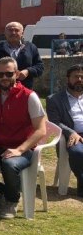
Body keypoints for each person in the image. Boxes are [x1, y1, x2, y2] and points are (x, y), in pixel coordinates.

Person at [0, 57, 46, 219]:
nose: (4, 78)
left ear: (16, 73)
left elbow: (41, 130)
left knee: (9, 164)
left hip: (24, 148)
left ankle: (11, 201)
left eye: (9, 74)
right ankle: (4, 192)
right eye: (0, 74)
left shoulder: (29, 96)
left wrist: (19, 150)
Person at [46, 64, 83, 197]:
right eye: (76, 77)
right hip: (72, 135)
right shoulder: (54, 99)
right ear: (68, 79)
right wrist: (71, 132)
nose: (79, 79)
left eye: (82, 77)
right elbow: (54, 122)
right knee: (78, 152)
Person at [0, 21, 44, 89]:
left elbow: (40, 67)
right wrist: (1, 76)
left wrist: (28, 71)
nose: (13, 33)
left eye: (16, 30)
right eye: (10, 30)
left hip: (25, 90)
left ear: (22, 33)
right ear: (5, 33)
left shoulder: (31, 47)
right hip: (2, 90)